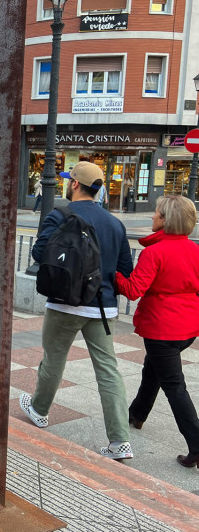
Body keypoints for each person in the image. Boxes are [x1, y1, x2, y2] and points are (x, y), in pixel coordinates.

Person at [19, 161, 135, 459]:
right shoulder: (115, 224)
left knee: (54, 359)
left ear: (74, 184)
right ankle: (120, 440)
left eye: (68, 180)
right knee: (108, 371)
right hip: (102, 307)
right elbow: (124, 270)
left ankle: (39, 410)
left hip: (63, 302)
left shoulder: (60, 214)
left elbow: (39, 253)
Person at [114, 195, 199, 468]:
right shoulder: (195, 250)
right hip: (188, 328)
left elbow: (132, 290)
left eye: (156, 213)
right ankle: (137, 414)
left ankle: (196, 444)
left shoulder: (155, 252)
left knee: (174, 386)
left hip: (163, 329)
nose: (152, 216)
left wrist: (114, 273)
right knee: (152, 370)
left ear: (166, 220)